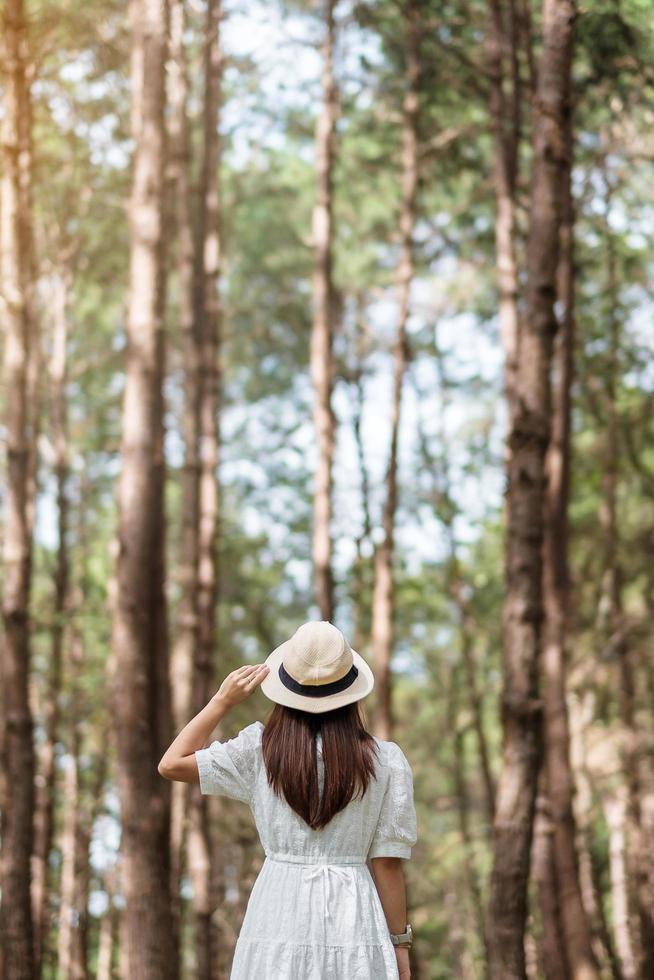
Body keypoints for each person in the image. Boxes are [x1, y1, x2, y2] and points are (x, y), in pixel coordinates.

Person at [159, 620, 417, 979]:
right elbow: (388, 864)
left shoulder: (258, 752)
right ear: (351, 690)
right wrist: (400, 944)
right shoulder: (385, 760)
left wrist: (223, 701)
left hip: (277, 910)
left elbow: (171, 763)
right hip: (353, 915)